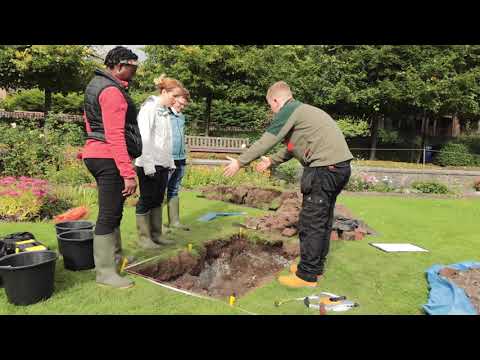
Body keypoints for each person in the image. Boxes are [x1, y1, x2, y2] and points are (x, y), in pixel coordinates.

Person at [224, 81, 353, 288]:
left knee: (311, 223)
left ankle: (307, 276)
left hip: (323, 169)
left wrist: (240, 162)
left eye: (271, 106)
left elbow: (268, 139)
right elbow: (292, 147)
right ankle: (314, 268)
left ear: (276, 101)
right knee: (322, 220)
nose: (272, 111)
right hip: (338, 168)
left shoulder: (289, 109)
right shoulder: (303, 113)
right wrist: (270, 161)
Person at [82, 46, 142, 289]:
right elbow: (115, 135)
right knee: (109, 215)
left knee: (113, 210)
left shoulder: (95, 85)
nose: (135, 73)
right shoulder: (112, 92)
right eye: (133, 68)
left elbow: (90, 123)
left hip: (95, 154)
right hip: (107, 157)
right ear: (119, 66)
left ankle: (114, 259)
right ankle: (105, 274)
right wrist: (128, 173)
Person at [135, 75, 187, 247]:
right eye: (173, 96)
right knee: (146, 199)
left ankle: (157, 235)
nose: (175, 101)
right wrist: (149, 166)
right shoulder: (149, 109)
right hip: (149, 164)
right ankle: (144, 238)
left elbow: (168, 140)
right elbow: (145, 138)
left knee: (158, 199)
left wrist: (170, 162)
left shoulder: (164, 112)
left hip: (163, 163)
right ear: (164, 92)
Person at [165, 89, 190, 231]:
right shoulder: (164, 114)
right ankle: (156, 226)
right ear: (173, 99)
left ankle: (174, 222)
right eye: (181, 103)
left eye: (184, 105)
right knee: (160, 191)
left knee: (174, 190)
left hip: (181, 158)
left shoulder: (181, 117)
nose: (182, 107)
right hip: (168, 158)